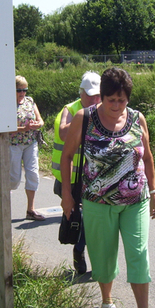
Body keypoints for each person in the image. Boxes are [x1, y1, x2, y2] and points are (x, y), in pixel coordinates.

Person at [61, 67, 155, 308]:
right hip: (96, 202)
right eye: (111, 100)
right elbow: (67, 155)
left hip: (136, 201)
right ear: (102, 98)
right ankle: (107, 303)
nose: (117, 106)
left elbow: (147, 157)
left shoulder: (136, 118)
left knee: (139, 255)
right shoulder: (85, 118)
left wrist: (154, 192)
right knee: (103, 256)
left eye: (122, 100)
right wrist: (67, 196)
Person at [51, 70, 101, 275]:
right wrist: (85, 118)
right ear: (80, 92)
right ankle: (79, 250)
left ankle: (81, 251)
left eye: (97, 94)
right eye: (88, 94)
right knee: (80, 218)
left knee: (91, 219)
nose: (93, 98)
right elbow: (63, 132)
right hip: (69, 178)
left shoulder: (105, 109)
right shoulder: (71, 110)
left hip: (94, 177)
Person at [10, 75, 46, 221]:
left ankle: (30, 210)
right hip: (13, 144)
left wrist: (37, 125)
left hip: (30, 143)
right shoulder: (6, 104)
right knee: (14, 178)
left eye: (25, 90)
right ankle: (3, 205)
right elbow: (5, 130)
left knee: (33, 174)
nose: (22, 93)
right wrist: (23, 128)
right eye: (19, 90)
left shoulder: (30, 101)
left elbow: (41, 120)